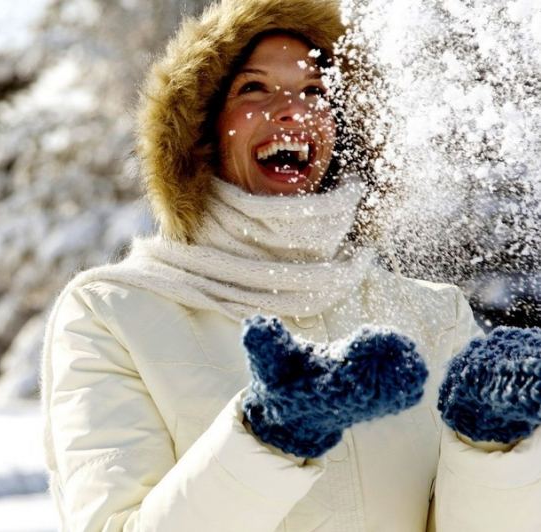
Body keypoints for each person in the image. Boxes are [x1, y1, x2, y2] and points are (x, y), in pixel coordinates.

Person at [40, 0, 541, 530]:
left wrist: (490, 444)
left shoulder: (433, 314)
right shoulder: (113, 314)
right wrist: (268, 437)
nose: (293, 111)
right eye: (253, 89)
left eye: (315, 91)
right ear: (199, 130)